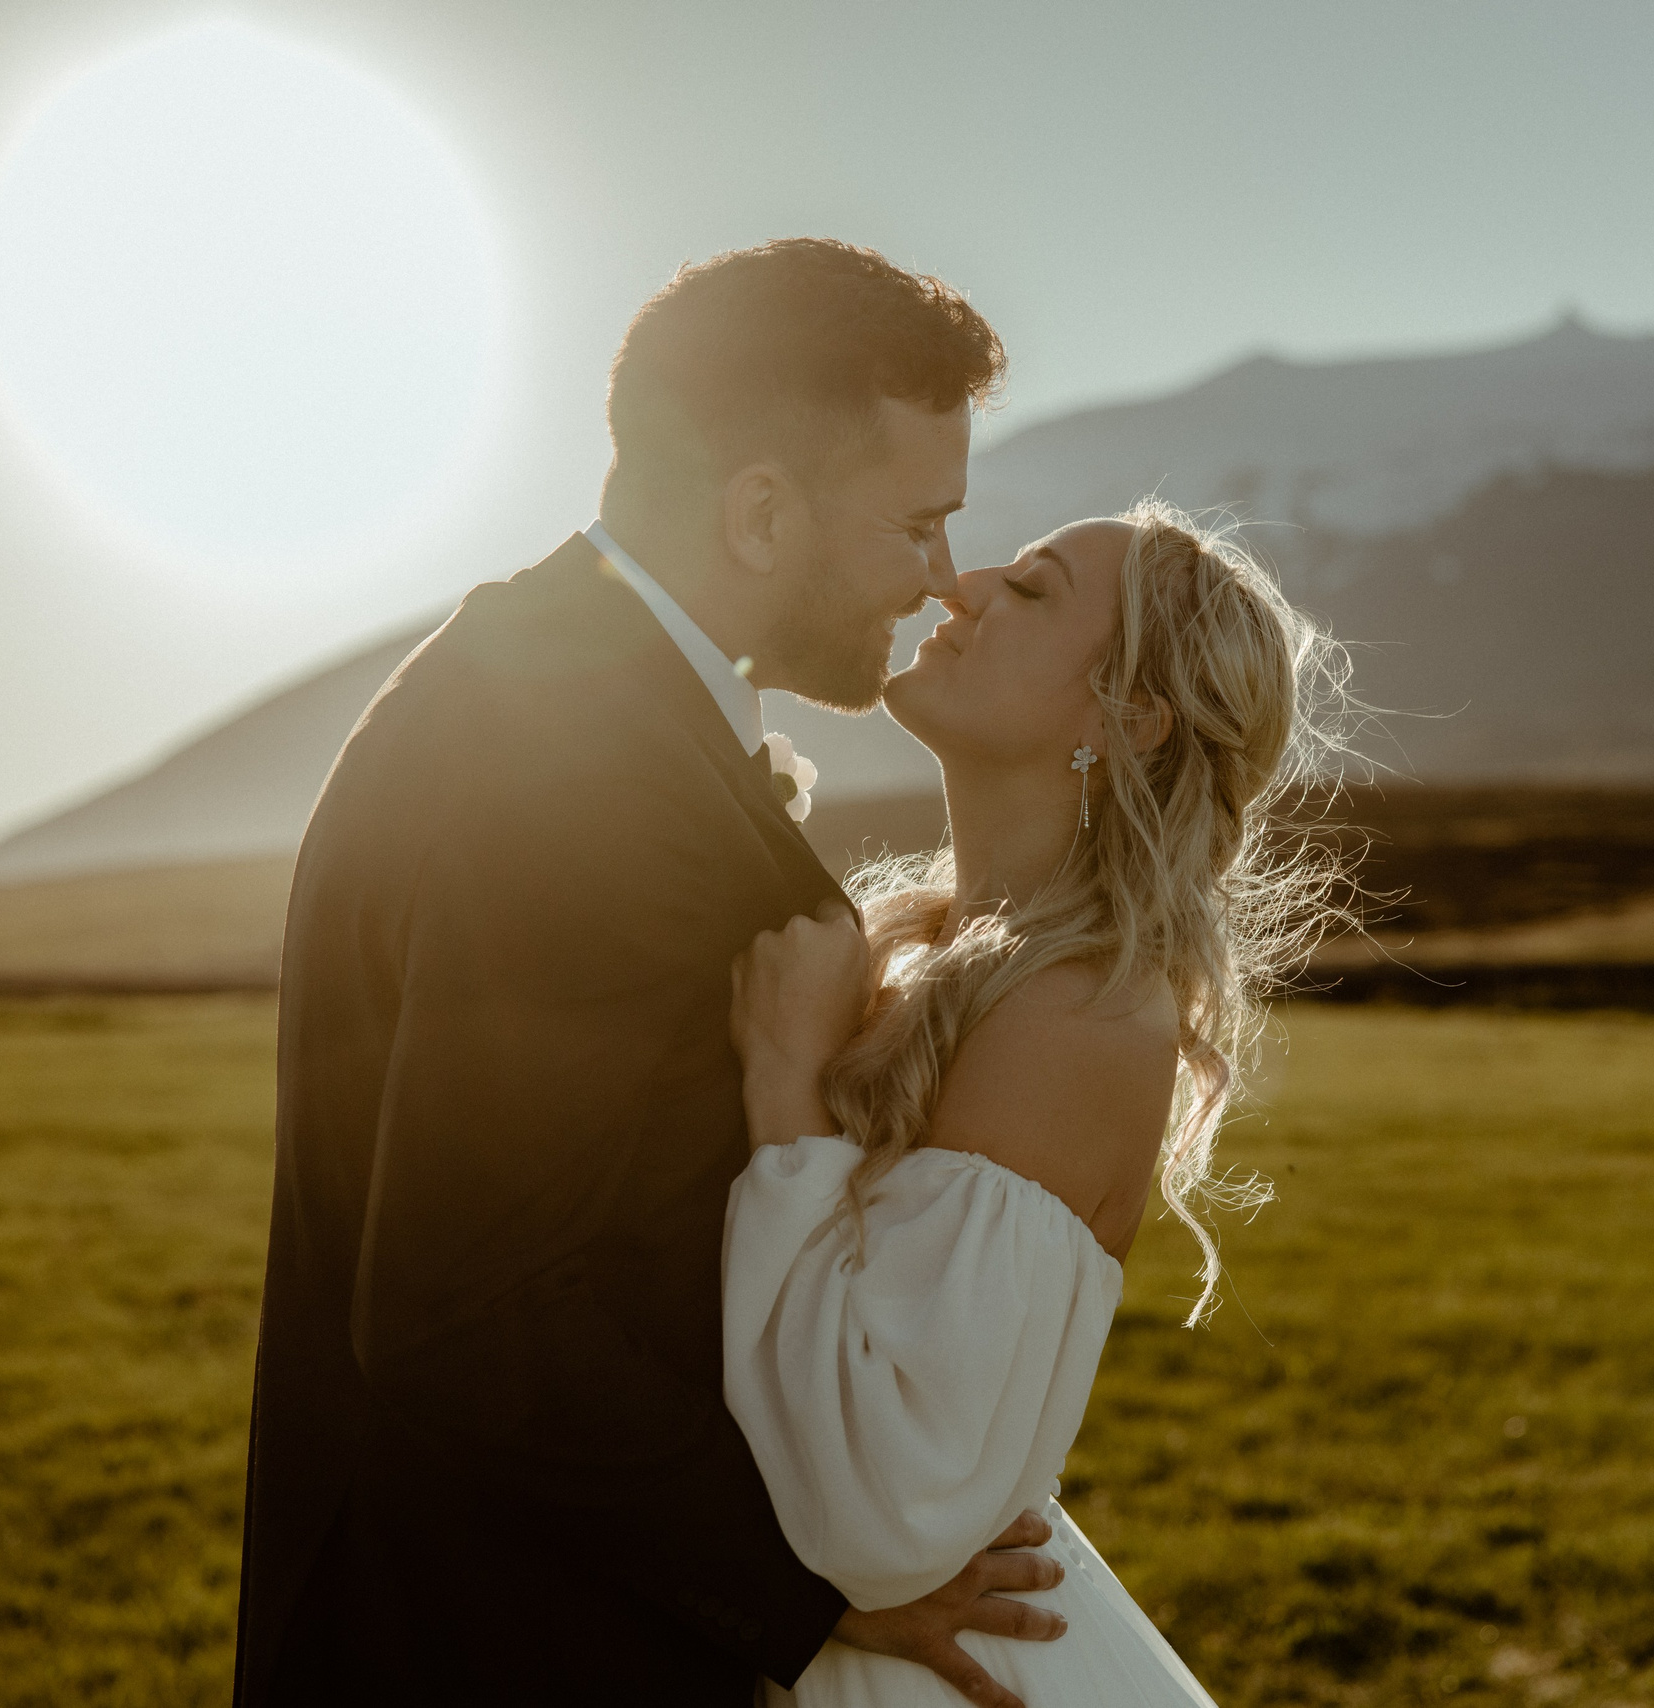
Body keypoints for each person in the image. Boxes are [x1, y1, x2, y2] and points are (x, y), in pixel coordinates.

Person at [233, 239, 1073, 1706]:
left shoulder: (556, 681)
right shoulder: (581, 772)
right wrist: (801, 1582)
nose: (940, 581)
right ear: (761, 511)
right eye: (917, 525)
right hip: (494, 1645)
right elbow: (466, 1305)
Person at [725, 500, 1352, 1706]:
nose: (960, 590)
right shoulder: (926, 951)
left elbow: (886, 1505)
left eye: (1031, 591)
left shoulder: (1079, 1014)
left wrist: (783, 1088)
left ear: (1125, 716)